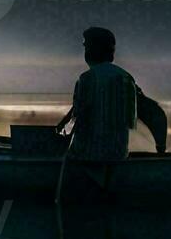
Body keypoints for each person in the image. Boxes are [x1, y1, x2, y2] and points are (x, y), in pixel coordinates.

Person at [58, 27, 137, 174]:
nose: (85, 51)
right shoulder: (126, 77)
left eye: (87, 46)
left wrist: (65, 140)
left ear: (93, 49)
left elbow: (81, 115)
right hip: (119, 152)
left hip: (91, 155)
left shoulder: (87, 78)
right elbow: (130, 120)